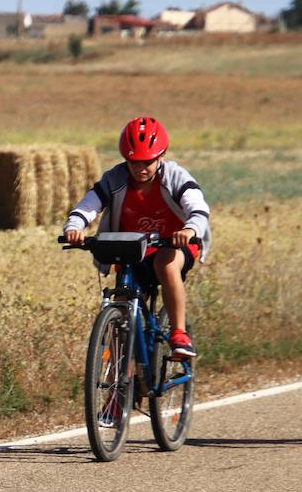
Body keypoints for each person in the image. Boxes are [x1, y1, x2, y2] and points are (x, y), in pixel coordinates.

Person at [62, 116, 210, 359]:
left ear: (160, 157)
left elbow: (198, 208)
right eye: (134, 163)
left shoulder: (175, 176)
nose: (141, 169)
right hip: (132, 249)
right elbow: (89, 204)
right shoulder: (116, 178)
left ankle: (179, 333)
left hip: (174, 246)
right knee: (120, 300)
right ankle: (120, 378)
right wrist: (75, 226)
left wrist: (189, 230)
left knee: (166, 263)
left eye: (147, 162)